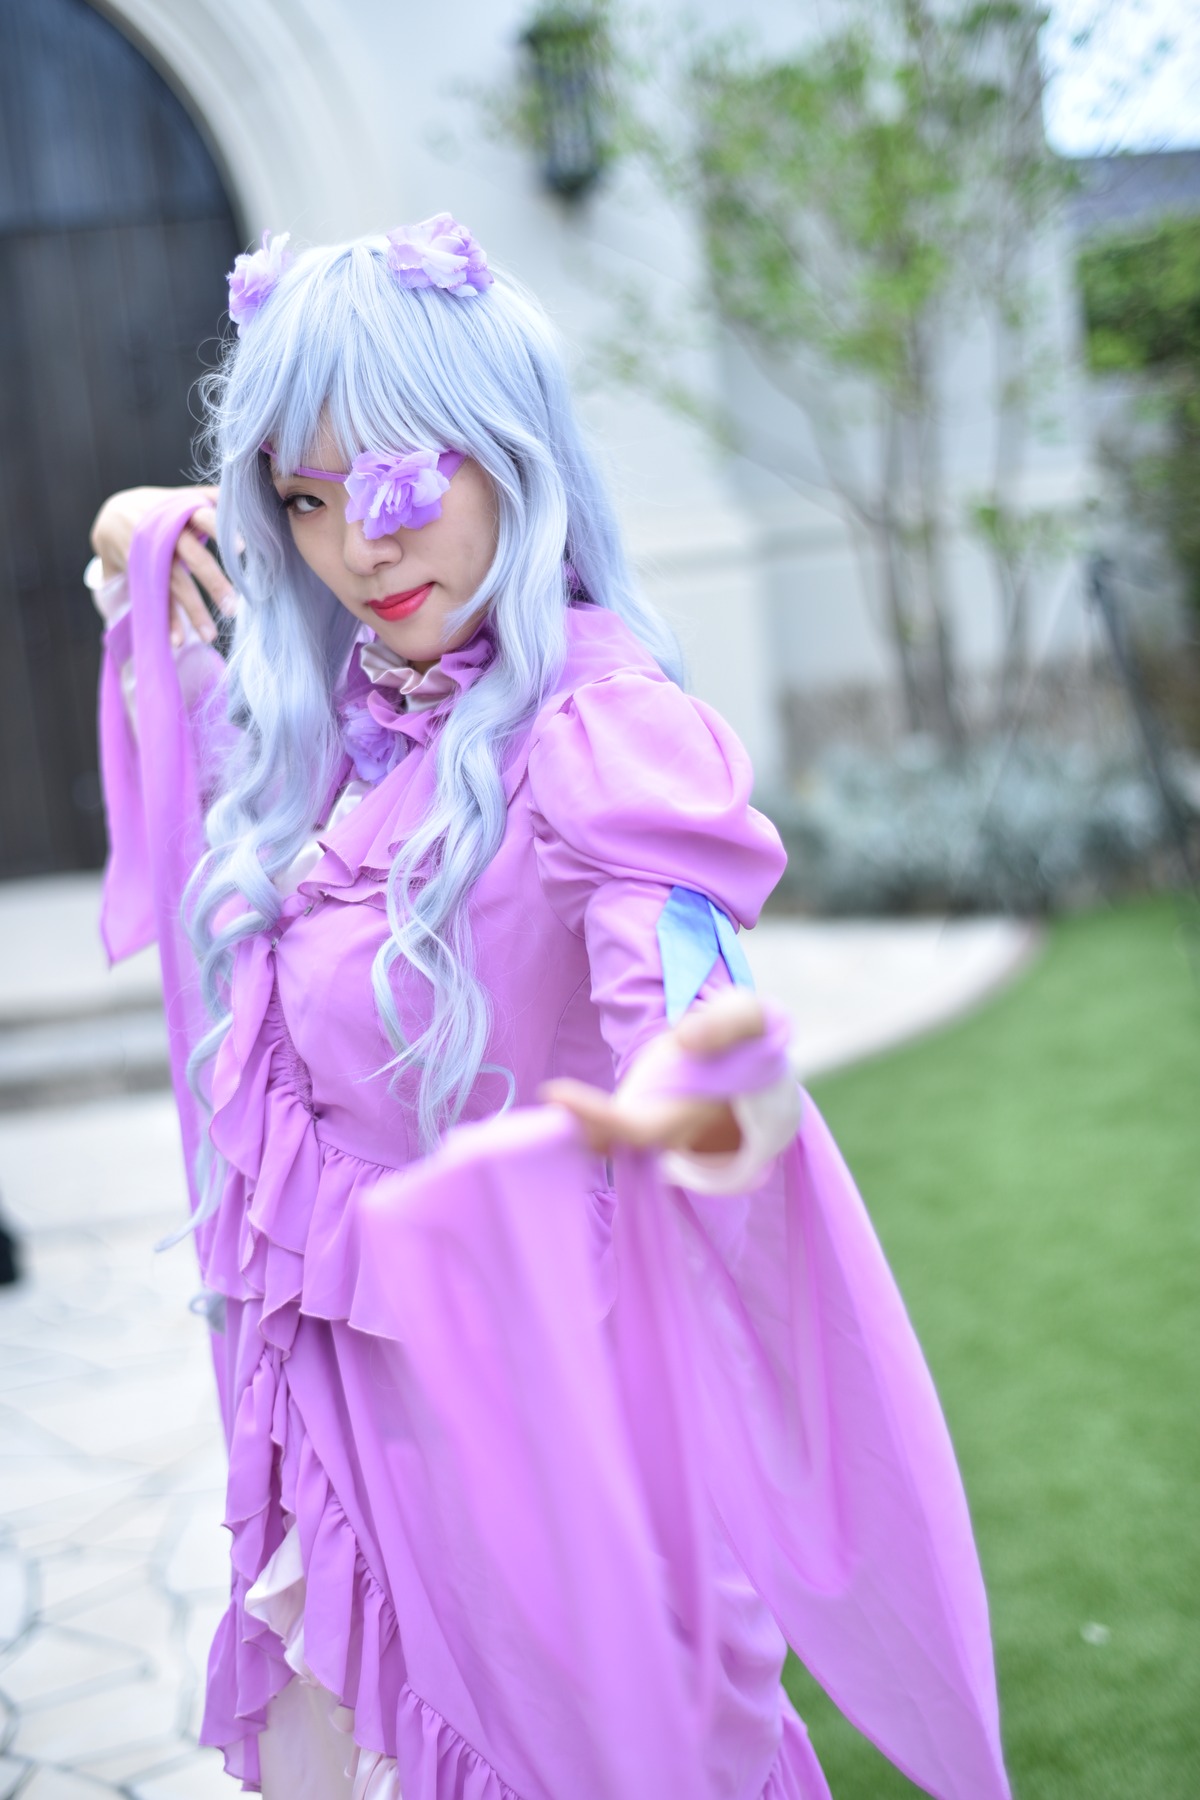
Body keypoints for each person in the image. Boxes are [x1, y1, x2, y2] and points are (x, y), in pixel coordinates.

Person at [90, 216, 1012, 1800]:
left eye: (395, 479)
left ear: (513, 455)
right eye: (303, 502)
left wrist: (686, 1093)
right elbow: (140, 567)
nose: (355, 547)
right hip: (366, 1390)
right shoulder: (354, 720)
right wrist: (155, 521)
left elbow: (685, 998)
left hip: (546, 1398)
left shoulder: (601, 728)